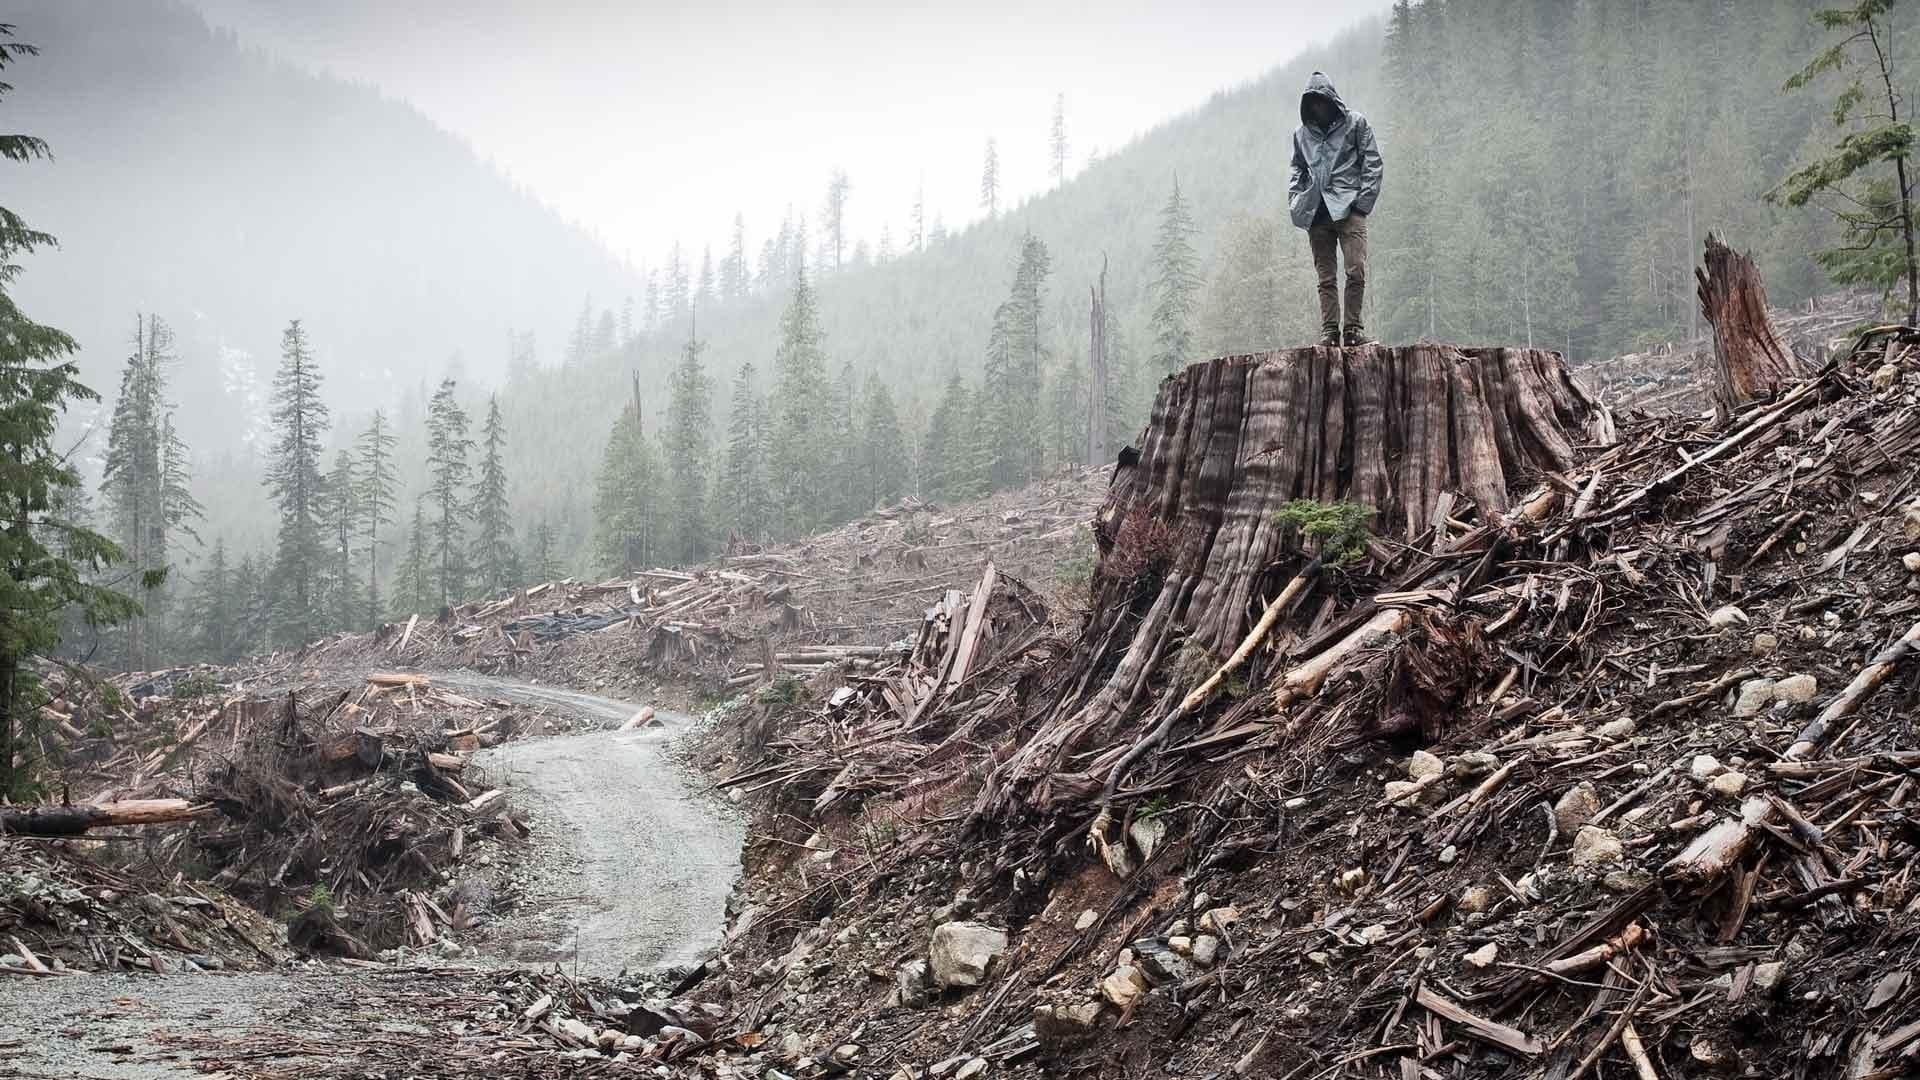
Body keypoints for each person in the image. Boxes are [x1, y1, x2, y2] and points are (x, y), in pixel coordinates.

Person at [1288, 71, 1383, 347]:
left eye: (1321, 99)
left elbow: (1373, 162)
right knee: (1325, 278)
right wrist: (1297, 200)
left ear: (1331, 99)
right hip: (1317, 213)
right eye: (1312, 101)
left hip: (1350, 209)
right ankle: (1330, 332)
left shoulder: (1356, 123)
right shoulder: (1301, 134)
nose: (1318, 106)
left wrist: (1362, 204)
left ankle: (1353, 330)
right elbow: (1296, 169)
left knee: (1356, 270)